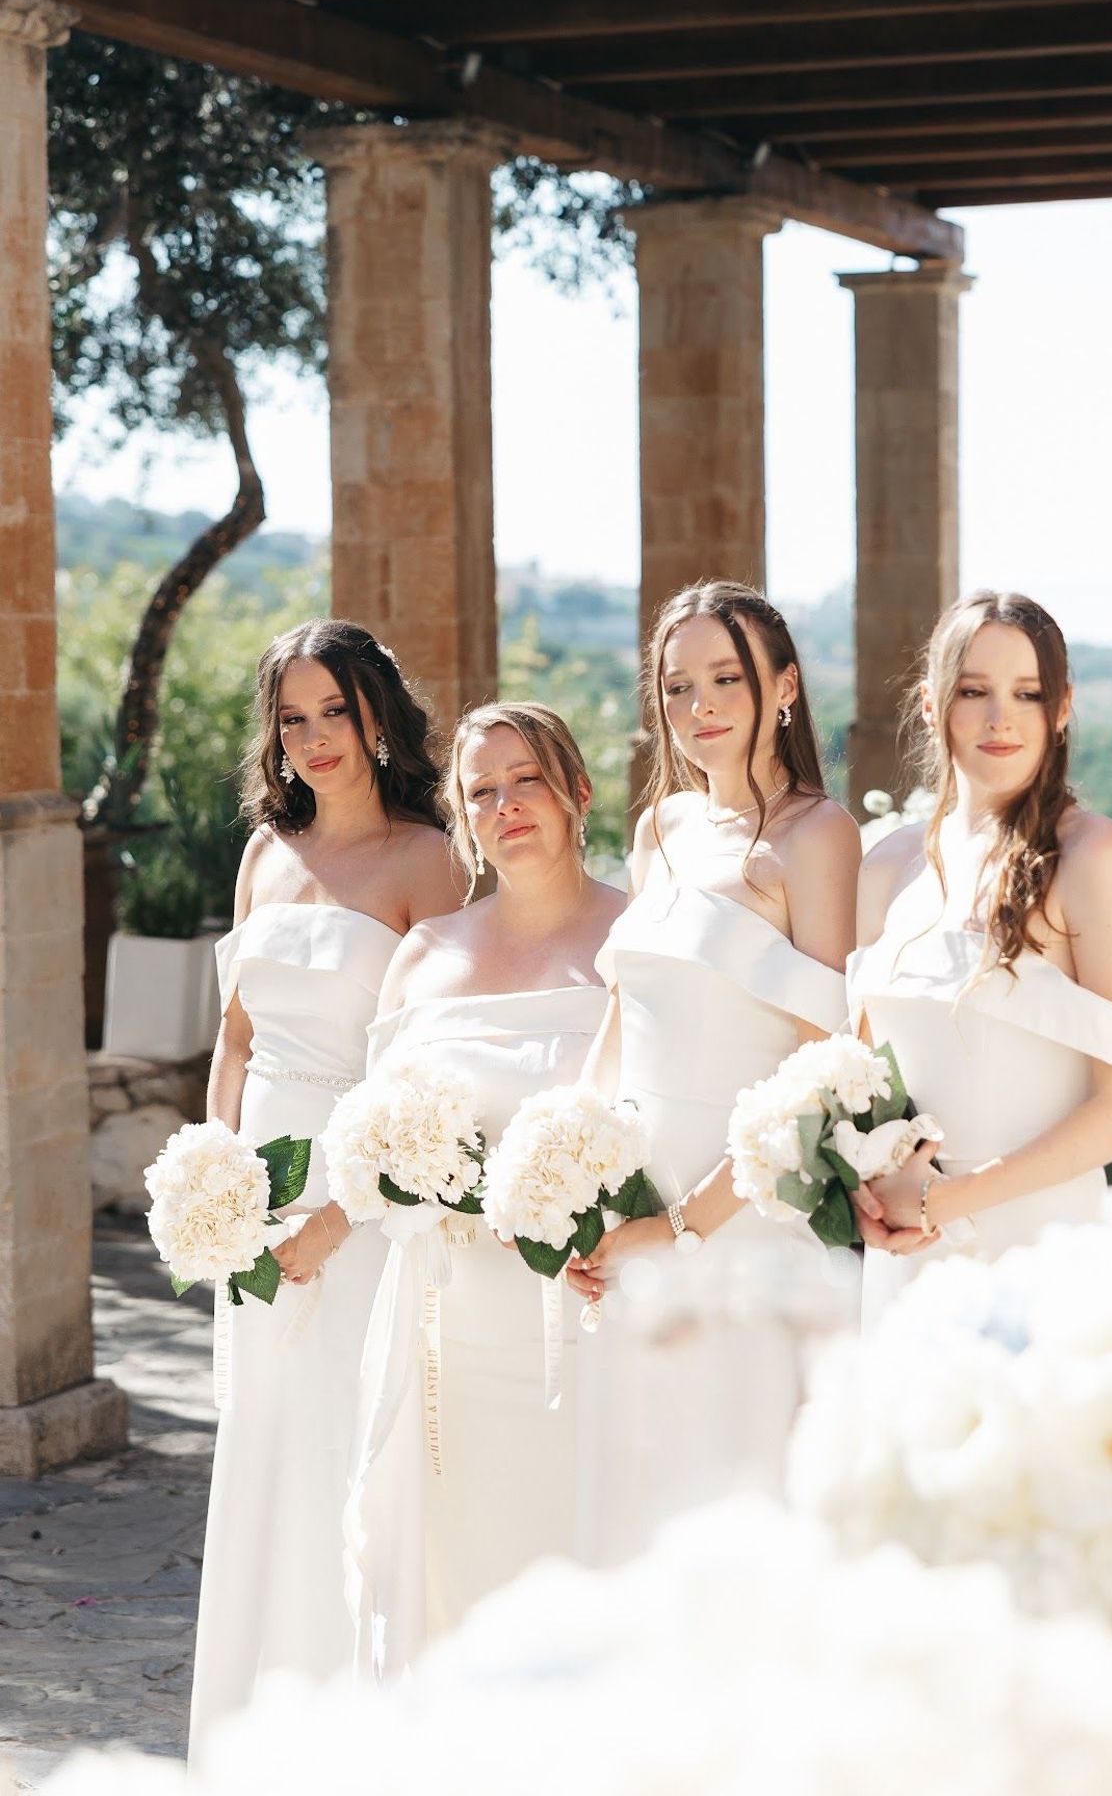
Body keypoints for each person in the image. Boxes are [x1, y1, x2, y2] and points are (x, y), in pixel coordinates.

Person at [188, 619, 458, 1754]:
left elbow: (433, 1076)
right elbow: (236, 1038)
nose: (314, 738)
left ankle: (354, 1744)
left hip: (360, 1211)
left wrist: (337, 1218)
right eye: (292, 718)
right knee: (265, 1447)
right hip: (250, 1212)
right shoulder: (265, 853)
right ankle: (252, 1735)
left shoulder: (427, 861)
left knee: (343, 1455)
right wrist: (212, 1179)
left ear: (377, 712)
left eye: (334, 710)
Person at [565, 580, 860, 1553]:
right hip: (632, 1204)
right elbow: (620, 1013)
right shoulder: (660, 828)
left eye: (726, 677)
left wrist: (684, 1225)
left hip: (741, 1215)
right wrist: (574, 1182)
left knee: (736, 1501)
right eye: (678, 684)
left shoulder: (817, 834)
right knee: (634, 1497)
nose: (700, 705)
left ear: (785, 686)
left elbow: (820, 1067)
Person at [345, 702, 615, 1677]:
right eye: (481, 791)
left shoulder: (634, 941)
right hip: (444, 1329)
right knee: (453, 1575)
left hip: (585, 1314)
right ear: (462, 819)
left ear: (578, 789)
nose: (507, 804)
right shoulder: (424, 954)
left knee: (578, 1569)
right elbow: (370, 1128)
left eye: (527, 778)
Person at [851, 589, 1112, 1324]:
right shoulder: (886, 866)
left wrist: (947, 1200)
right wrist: (863, 1186)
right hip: (901, 1251)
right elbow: (862, 1076)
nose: (1001, 718)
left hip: (1037, 1252)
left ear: (1061, 708)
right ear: (931, 704)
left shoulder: (1093, 857)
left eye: (1028, 693)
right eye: (974, 692)